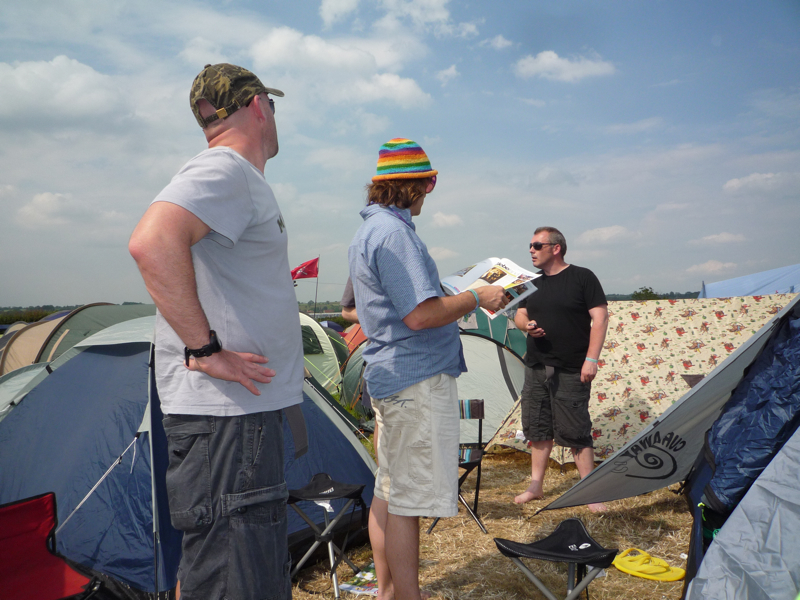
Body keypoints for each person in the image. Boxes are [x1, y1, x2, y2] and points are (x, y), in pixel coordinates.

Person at [128, 63, 304, 600]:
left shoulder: (231, 174)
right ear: (258, 106)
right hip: (228, 420)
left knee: (220, 570)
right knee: (234, 578)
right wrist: (205, 349)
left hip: (236, 418)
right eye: (272, 105)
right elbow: (152, 241)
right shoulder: (226, 169)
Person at [348, 138, 508, 600]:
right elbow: (420, 316)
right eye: (430, 184)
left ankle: (388, 591)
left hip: (392, 377)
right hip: (414, 381)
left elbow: (379, 307)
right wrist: (477, 296)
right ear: (421, 184)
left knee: (390, 491)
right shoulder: (394, 234)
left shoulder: (369, 230)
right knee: (408, 501)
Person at [512, 226, 609, 512]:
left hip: (571, 367)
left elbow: (600, 318)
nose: (531, 250)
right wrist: (527, 326)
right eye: (530, 245)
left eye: (537, 245)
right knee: (537, 427)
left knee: (576, 429)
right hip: (536, 366)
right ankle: (536, 486)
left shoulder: (583, 277)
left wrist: (592, 360)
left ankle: (590, 492)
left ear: (556, 248)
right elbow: (520, 314)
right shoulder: (530, 282)